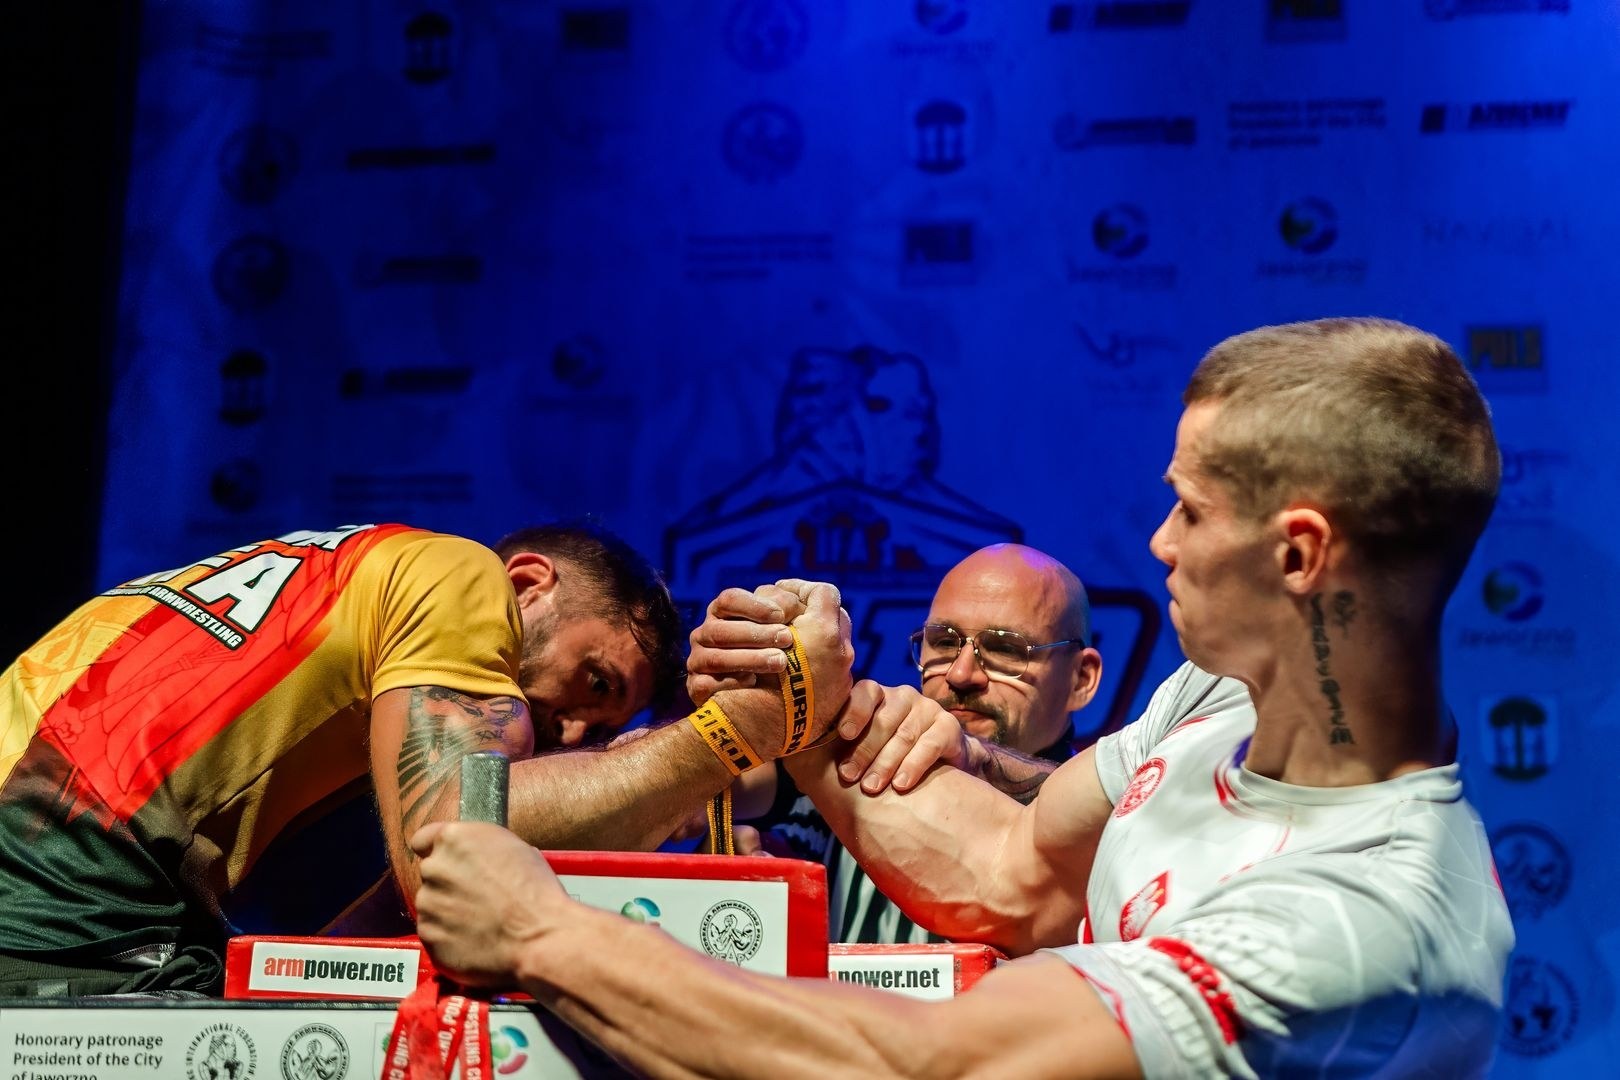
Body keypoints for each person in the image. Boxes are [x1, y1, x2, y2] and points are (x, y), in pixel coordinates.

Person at [411, 317, 1515, 1077]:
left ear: (1300, 555)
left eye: (1189, 509)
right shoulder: (1220, 704)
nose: (1158, 542)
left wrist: (544, 934)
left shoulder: (1361, 920)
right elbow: (1011, 867)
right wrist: (807, 707)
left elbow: (926, 1062)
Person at [0, 519, 896, 996]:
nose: (571, 729)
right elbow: (456, 863)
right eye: (592, 679)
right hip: (61, 900)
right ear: (528, 582)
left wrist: (300, 975)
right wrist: (731, 735)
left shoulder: (350, 579)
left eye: (597, 716)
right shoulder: (464, 581)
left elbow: (414, 884)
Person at [711, 543, 1103, 943]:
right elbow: (721, 788)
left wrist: (977, 758)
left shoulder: (1122, 825)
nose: (961, 673)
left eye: (1006, 649)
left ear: (1081, 679)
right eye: (944, 642)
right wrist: (734, 695)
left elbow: (1114, 812)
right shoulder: (851, 774)